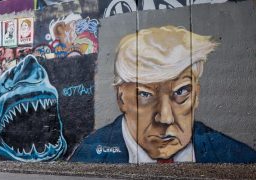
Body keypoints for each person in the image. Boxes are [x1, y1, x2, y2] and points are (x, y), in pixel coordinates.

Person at [70, 26, 256, 163]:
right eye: (144, 94)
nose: (165, 118)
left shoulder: (240, 157)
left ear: (196, 95)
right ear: (121, 98)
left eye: (182, 91)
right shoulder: (87, 156)